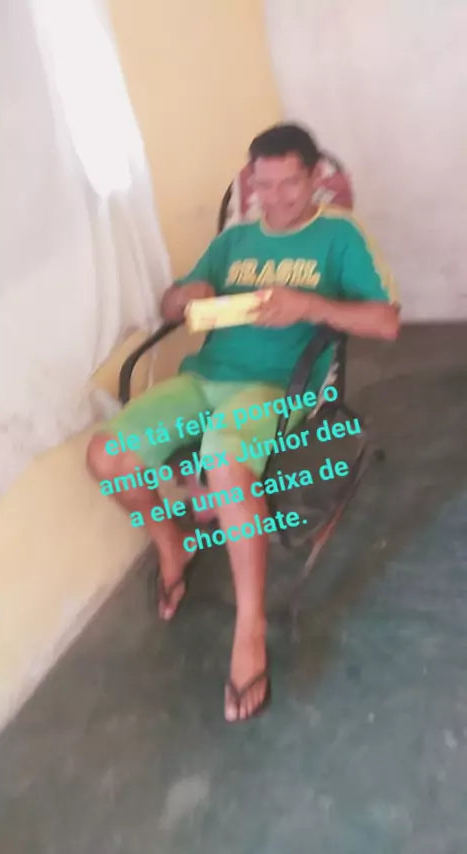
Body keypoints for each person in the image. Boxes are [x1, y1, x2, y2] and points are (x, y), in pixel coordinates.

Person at [87, 123, 400, 723]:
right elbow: (172, 304)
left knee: (224, 465)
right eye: (263, 185)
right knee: (106, 457)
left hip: (275, 388)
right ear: (250, 183)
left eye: (290, 184)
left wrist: (309, 305)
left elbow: (386, 323)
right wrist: (185, 297)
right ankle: (172, 547)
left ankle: (249, 627)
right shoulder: (234, 240)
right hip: (202, 378)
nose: (275, 199)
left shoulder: (339, 236)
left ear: (315, 178)